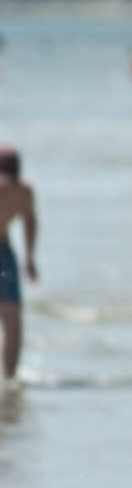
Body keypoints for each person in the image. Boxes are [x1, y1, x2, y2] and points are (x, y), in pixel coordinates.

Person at [0, 147, 38, 381]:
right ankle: (10, 379)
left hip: (4, 252)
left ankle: (10, 380)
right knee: (12, 318)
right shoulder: (23, 192)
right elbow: (31, 222)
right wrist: (29, 259)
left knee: (13, 318)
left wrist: (30, 258)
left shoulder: (23, 192)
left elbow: (30, 222)